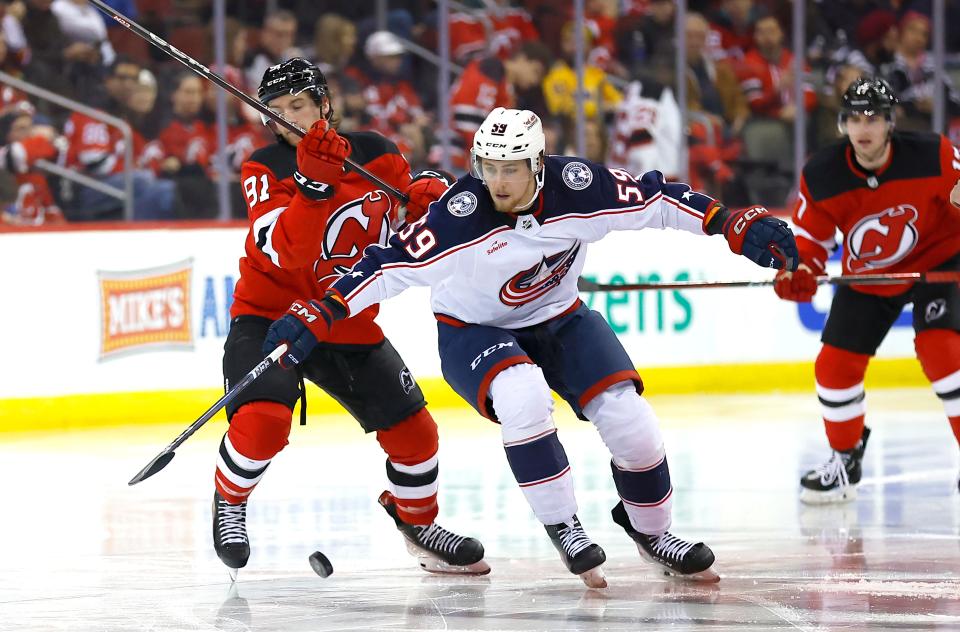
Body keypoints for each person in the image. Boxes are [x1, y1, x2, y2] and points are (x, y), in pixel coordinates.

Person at [262, 106, 799, 586]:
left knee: (630, 419)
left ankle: (652, 532)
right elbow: (383, 270)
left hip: (560, 319)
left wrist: (727, 222)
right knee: (522, 396)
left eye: (510, 168)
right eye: (487, 167)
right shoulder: (457, 216)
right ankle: (565, 525)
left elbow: (657, 199)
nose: (496, 181)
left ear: (538, 164)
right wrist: (318, 313)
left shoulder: (581, 186)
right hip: (473, 329)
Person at [212, 58, 488, 578]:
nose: (289, 119)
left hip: (344, 315)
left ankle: (417, 523)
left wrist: (432, 200)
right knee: (263, 424)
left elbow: (410, 229)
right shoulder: (264, 168)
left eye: (299, 106)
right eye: (277, 112)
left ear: (325, 106)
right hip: (272, 315)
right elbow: (286, 254)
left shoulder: (377, 153)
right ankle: (229, 501)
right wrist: (312, 186)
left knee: (417, 434)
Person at [774, 77, 960, 503]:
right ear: (842, 125)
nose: (864, 127)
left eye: (873, 117)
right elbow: (810, 243)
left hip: (940, 263)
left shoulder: (934, 154)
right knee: (834, 368)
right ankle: (845, 461)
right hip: (871, 275)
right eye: (854, 118)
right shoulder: (822, 173)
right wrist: (797, 270)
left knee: (944, 352)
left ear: (890, 122)